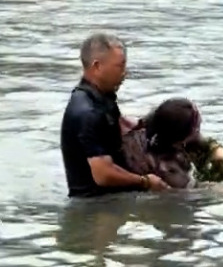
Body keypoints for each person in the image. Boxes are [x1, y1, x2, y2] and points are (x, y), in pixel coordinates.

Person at [60, 33, 170, 198]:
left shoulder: (103, 99)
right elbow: (103, 175)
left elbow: (117, 129)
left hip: (115, 198)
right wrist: (145, 181)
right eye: (120, 66)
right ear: (97, 66)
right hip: (95, 206)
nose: (125, 73)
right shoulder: (88, 112)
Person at [121, 98, 223, 190]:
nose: (200, 129)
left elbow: (207, 145)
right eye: (197, 127)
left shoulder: (153, 122)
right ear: (181, 139)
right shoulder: (168, 168)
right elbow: (206, 192)